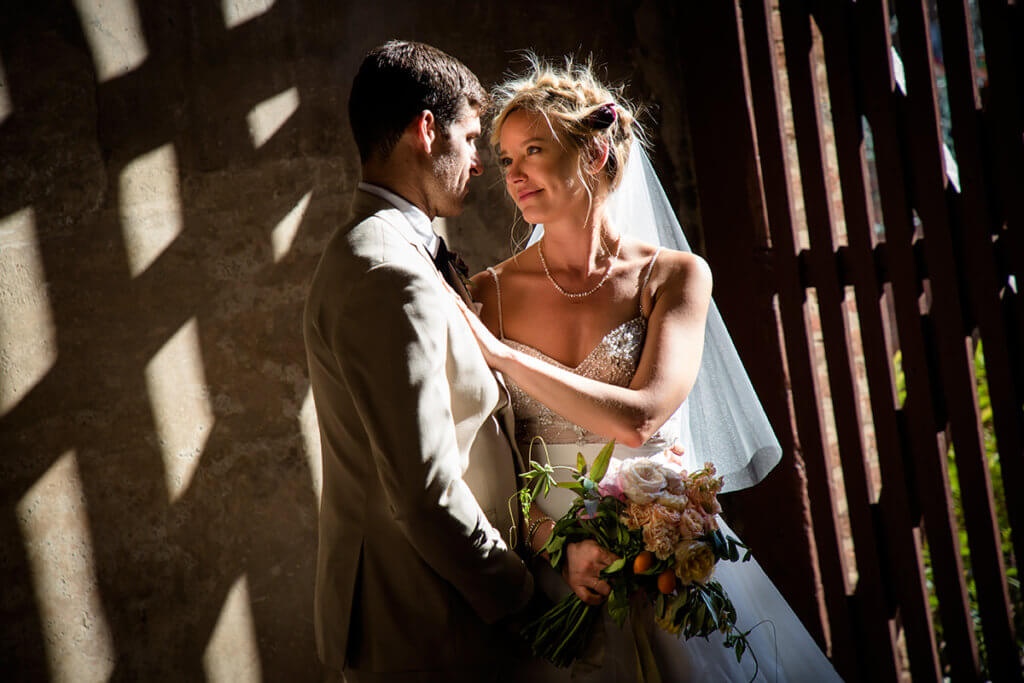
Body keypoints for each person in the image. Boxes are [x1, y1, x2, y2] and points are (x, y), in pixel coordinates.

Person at [461, 57, 844, 681]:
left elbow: (641, 421)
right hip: (555, 574)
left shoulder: (676, 276)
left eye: (533, 149)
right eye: (505, 160)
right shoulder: (487, 296)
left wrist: (503, 357)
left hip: (668, 562)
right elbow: (487, 460)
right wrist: (555, 549)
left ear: (594, 153)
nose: (516, 173)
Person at [303, 41, 534, 683]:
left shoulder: (393, 250)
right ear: (425, 132)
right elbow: (423, 490)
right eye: (470, 137)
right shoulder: (386, 271)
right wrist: (519, 594)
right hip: (431, 621)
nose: (482, 162)